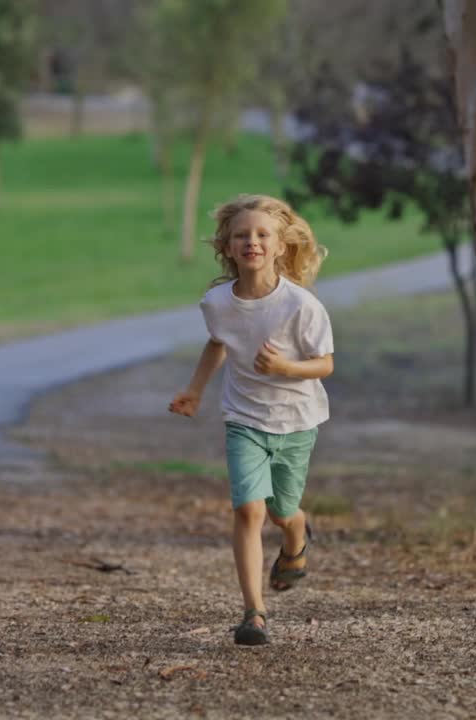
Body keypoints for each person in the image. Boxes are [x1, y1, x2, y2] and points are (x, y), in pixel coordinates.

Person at [168, 194, 333, 646]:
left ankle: (297, 534)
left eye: (262, 235)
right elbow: (218, 343)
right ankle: (253, 613)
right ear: (228, 244)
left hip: (296, 421)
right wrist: (195, 389)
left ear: (281, 246)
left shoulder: (301, 306)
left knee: (281, 512)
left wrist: (286, 369)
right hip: (243, 418)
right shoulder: (218, 302)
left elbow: (324, 365)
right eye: (242, 235)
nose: (252, 242)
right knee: (248, 509)